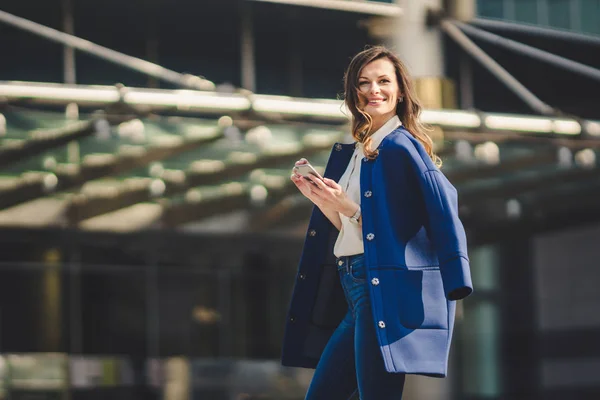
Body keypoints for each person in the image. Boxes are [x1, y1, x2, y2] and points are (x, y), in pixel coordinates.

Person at [281, 45, 474, 400]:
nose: (374, 90)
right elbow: (354, 229)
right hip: (355, 290)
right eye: (364, 83)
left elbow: (442, 208)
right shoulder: (359, 151)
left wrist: (456, 275)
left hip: (377, 287)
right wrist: (321, 199)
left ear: (400, 91)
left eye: (384, 81)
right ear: (353, 93)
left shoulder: (402, 147)